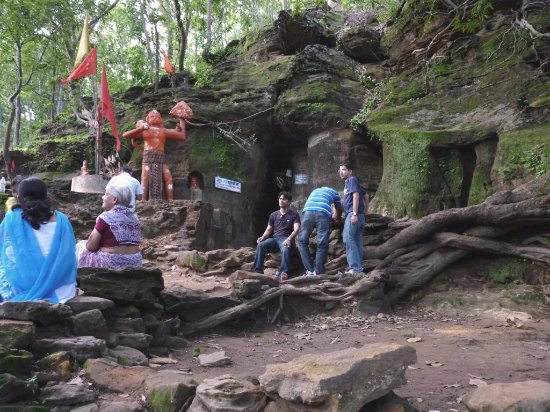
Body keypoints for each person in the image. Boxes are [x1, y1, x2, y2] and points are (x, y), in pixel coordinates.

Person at [0, 177, 77, 303]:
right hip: (62, 287)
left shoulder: (12, 218)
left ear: (19, 196)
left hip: (27, 286)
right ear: (45, 195)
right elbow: (70, 254)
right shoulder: (62, 219)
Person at [122, 109, 187, 201]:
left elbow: (182, 136)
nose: (155, 117)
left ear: (161, 120)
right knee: (144, 178)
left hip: (161, 157)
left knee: (169, 178)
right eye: (152, 116)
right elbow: (126, 135)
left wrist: (182, 119)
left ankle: (171, 200)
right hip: (148, 156)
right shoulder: (145, 130)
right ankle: (143, 200)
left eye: (157, 116)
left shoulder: (163, 130)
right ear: (147, 119)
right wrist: (141, 128)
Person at [77, 184, 142, 269]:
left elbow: (90, 247)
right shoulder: (135, 218)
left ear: (114, 199)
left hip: (112, 262)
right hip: (135, 262)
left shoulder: (106, 217)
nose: (102, 197)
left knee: (80, 247)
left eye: (106, 194)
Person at [253, 191, 301, 279]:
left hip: (286, 238)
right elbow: (268, 230)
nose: (281, 201)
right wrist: (262, 237)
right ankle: (258, 271)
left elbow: (297, 229)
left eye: (284, 199)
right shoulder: (273, 215)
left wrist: (289, 239)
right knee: (261, 245)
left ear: (289, 202)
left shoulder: (294, 215)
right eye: (280, 199)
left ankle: (283, 272)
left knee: (286, 247)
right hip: (275, 239)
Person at [297, 187, 343, 276]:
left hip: (308, 213)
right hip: (323, 213)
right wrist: (336, 217)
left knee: (302, 241)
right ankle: (319, 271)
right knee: (322, 243)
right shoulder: (335, 193)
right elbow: (338, 210)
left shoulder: (314, 190)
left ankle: (310, 270)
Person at [339, 162, 368, 274]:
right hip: (359, 215)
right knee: (357, 240)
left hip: (353, 214)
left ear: (350, 171)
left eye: (344, 169)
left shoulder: (351, 180)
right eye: (340, 170)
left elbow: (356, 195)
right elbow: (365, 195)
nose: (341, 172)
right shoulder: (353, 183)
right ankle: (358, 268)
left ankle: (355, 268)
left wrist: (355, 213)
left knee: (348, 238)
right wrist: (365, 211)